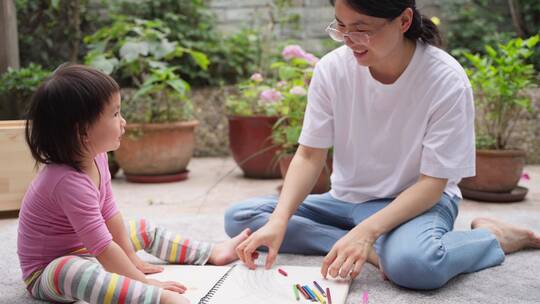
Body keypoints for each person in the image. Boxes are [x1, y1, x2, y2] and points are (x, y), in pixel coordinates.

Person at [224, 0, 540, 290]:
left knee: (416, 266)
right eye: (341, 26)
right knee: (242, 219)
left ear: (403, 20)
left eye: (361, 29)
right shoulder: (332, 69)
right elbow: (308, 155)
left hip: (417, 203)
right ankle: (374, 248)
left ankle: (491, 237)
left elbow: (432, 185)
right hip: (345, 202)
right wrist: (279, 221)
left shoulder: (445, 80)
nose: (348, 39)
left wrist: (367, 232)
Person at [17, 64, 250, 304]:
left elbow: (109, 212)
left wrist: (131, 258)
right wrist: (143, 282)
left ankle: (211, 252)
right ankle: (156, 299)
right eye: (115, 114)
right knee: (74, 272)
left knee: (141, 228)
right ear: (82, 131)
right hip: (48, 272)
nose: (123, 121)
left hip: (86, 250)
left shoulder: (97, 157)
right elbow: (103, 248)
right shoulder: (67, 182)